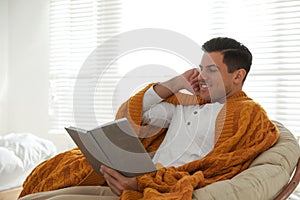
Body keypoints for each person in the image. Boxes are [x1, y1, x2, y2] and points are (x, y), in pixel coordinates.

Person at [19, 37, 279, 200]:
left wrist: (142, 183)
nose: (201, 76)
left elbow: (222, 167)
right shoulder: (185, 103)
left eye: (211, 69)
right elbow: (133, 114)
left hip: (153, 188)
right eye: (200, 68)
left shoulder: (248, 113)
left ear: (237, 76)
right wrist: (176, 83)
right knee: (39, 196)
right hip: (131, 178)